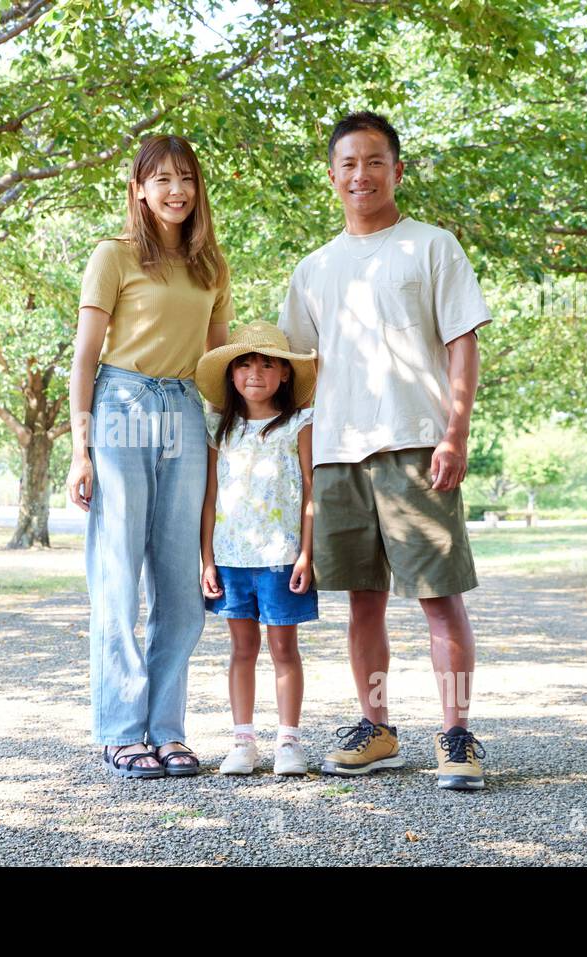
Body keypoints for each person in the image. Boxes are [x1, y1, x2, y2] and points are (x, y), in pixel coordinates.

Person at [278, 111, 493, 790]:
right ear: (332, 176)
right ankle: (377, 727)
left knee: (439, 596)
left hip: (416, 446)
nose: (360, 174)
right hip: (339, 453)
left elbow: (463, 341)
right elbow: (296, 370)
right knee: (361, 601)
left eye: (374, 161)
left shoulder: (431, 246)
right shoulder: (313, 269)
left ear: (397, 171)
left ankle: (457, 734)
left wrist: (455, 432)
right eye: (348, 163)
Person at [66, 134, 232, 779]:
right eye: (160, 178)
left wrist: (226, 439)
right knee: (117, 573)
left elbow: (217, 362)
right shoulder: (114, 255)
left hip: (186, 412)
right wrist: (80, 449)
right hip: (122, 406)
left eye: (185, 177)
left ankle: (167, 728)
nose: (175, 190)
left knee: (180, 581)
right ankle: (118, 730)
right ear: (138, 188)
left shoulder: (211, 266)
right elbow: (85, 355)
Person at [195, 322, 318, 776]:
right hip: (230, 558)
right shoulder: (217, 430)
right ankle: (242, 740)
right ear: (230, 374)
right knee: (241, 649)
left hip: (282, 558)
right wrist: (207, 558)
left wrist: (307, 552)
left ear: (285, 374)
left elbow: (311, 492)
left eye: (268, 364)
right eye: (245, 364)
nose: (255, 372)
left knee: (284, 648)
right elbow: (209, 497)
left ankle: (289, 741)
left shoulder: (300, 424)